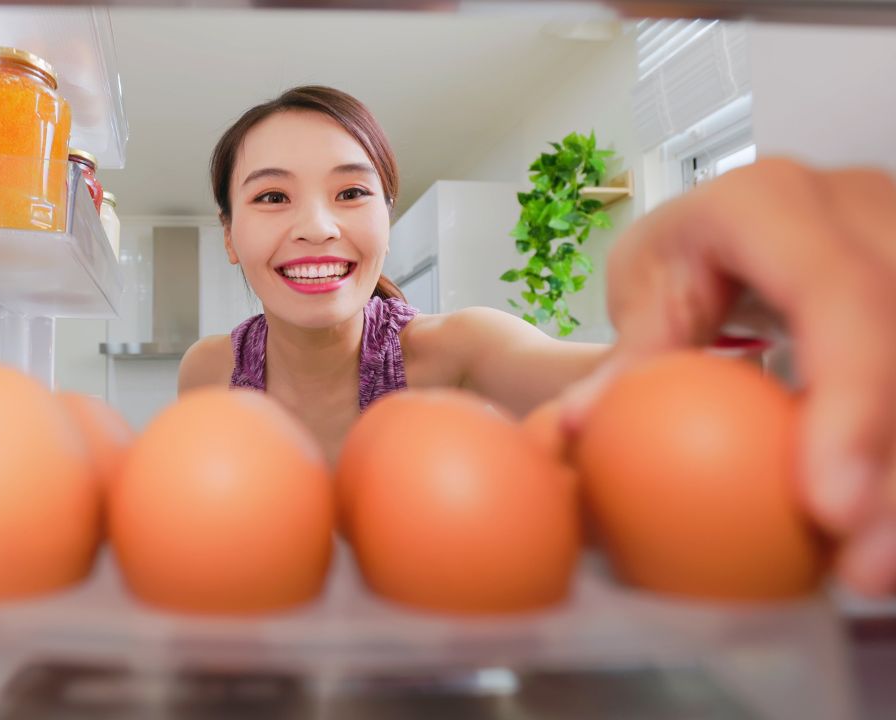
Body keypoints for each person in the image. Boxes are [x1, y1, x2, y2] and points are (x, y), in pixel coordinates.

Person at [177, 86, 896, 597]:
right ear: (231, 235)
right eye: (272, 196)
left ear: (385, 219)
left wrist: (732, 296)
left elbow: (624, 380)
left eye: (352, 193)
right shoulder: (210, 372)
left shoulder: (457, 347)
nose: (318, 227)